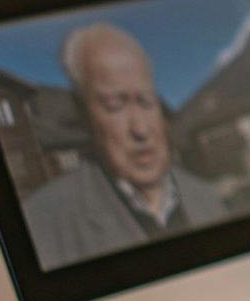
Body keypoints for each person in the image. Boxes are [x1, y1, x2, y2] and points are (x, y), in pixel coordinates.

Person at [21, 22, 229, 270]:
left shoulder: (207, 198)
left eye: (146, 101)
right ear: (84, 114)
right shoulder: (40, 224)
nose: (140, 130)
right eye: (114, 105)